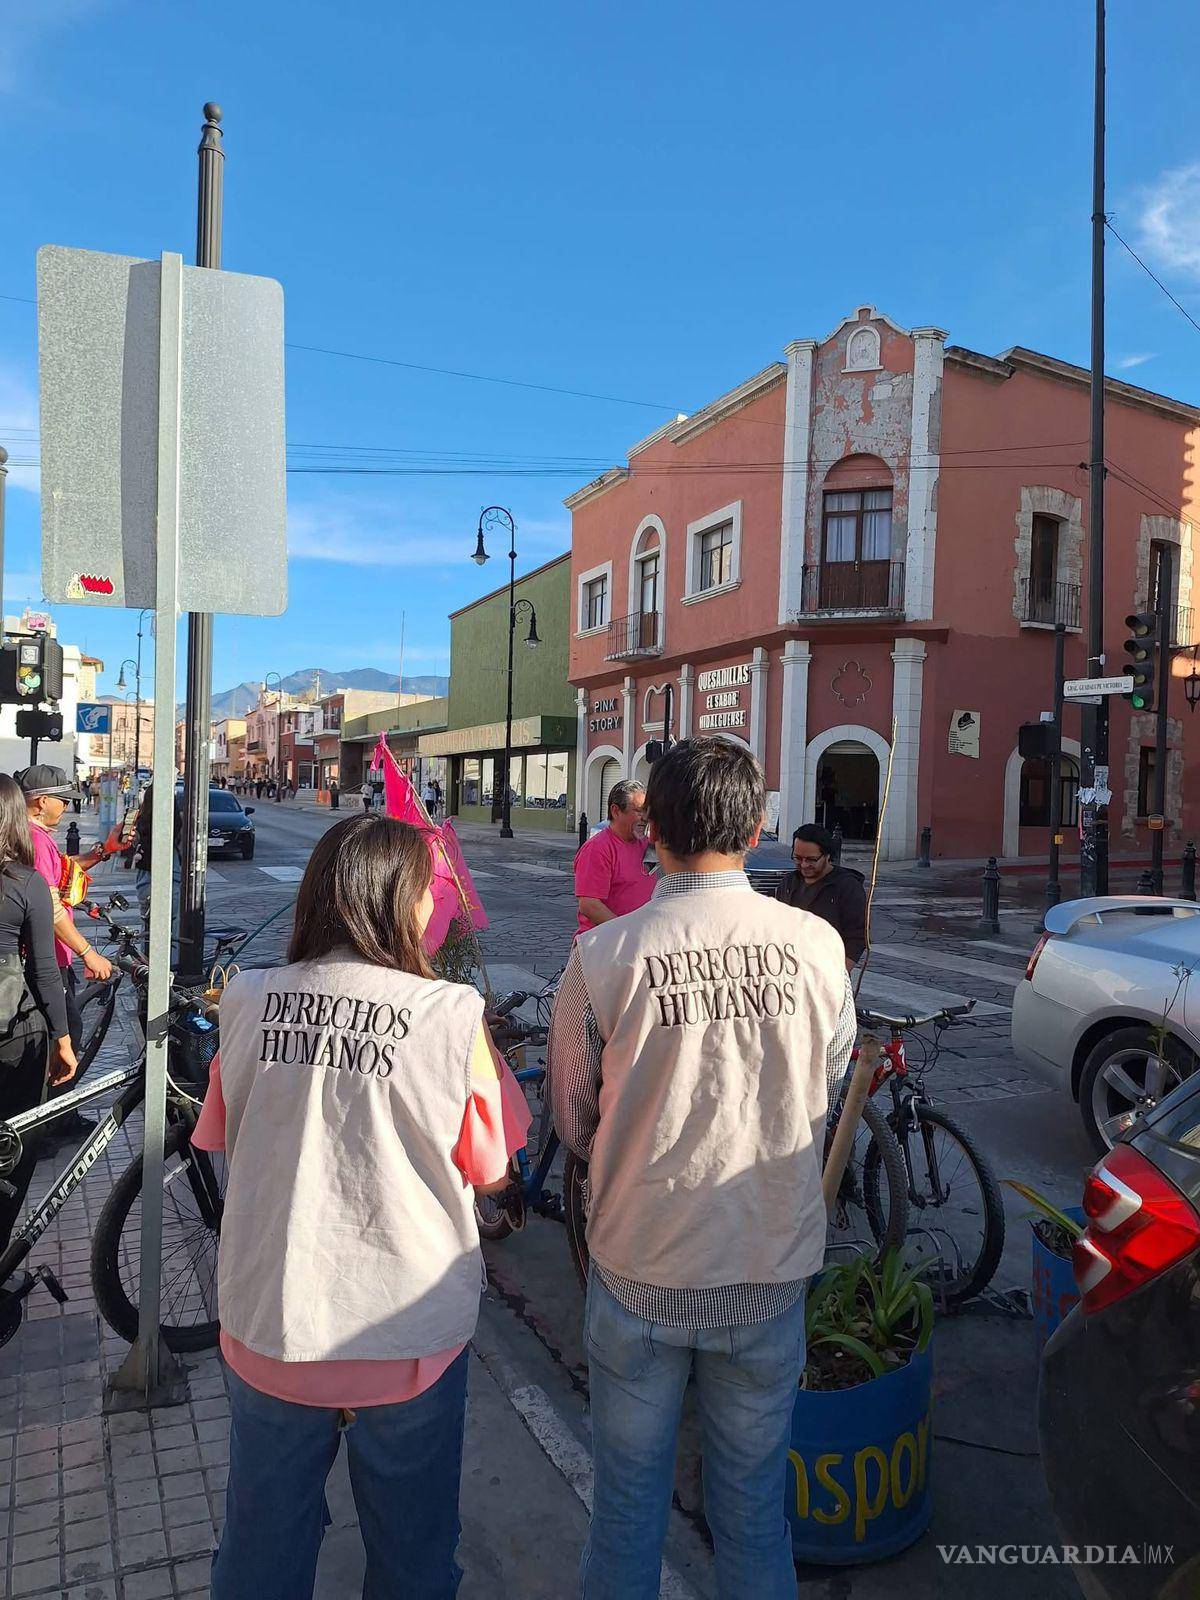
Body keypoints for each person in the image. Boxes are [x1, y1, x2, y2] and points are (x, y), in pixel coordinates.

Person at [549, 737, 855, 1600]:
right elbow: (830, 1081)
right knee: (756, 1515)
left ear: (653, 832)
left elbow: (571, 1119)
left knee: (626, 1514)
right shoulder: (815, 946)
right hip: (767, 1268)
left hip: (640, 1265)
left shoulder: (604, 956)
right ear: (756, 829)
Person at [198, 814, 530, 1599]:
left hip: (272, 1321)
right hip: (404, 1333)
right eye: (428, 892)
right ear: (399, 900)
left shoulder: (244, 999)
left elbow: (220, 1134)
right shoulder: (448, 1016)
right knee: (413, 1559)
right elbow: (492, 1172)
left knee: (260, 1551)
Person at [0, 775, 76, 1251]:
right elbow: (45, 972)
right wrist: (63, 1039)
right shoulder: (24, 882)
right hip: (13, 1029)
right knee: (17, 1143)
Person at [17, 765, 115, 1057]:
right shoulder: (33, 839)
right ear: (41, 801)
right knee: (63, 1043)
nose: (67, 806)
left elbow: (63, 872)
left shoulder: (34, 835)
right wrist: (88, 952)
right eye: (63, 799)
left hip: (51, 956)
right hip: (47, 960)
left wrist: (103, 851)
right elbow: (50, 907)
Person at [779, 822, 869, 971]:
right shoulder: (789, 882)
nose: (804, 865)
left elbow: (857, 937)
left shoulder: (847, 887)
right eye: (798, 858)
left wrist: (839, 974)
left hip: (826, 970)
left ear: (827, 856)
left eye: (811, 860)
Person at [573, 779, 653, 934]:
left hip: (639, 942)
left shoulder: (648, 845)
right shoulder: (597, 849)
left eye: (647, 810)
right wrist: (626, 933)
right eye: (638, 811)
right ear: (616, 811)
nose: (645, 817)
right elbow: (589, 904)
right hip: (604, 944)